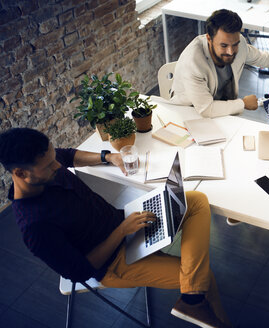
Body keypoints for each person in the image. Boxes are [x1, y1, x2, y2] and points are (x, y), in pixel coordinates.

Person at [0, 128, 230, 328]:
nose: (57, 165)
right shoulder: (34, 226)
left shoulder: (46, 166)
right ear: (20, 174)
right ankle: (197, 304)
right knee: (203, 278)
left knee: (196, 200)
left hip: (124, 221)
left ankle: (191, 297)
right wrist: (121, 231)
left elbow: (68, 155)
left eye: (53, 157)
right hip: (113, 263)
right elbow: (81, 272)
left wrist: (109, 156)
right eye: (50, 164)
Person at [170, 9, 269, 118]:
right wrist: (243, 103)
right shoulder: (193, 62)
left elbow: (263, 58)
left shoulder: (239, 43)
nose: (230, 52)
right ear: (209, 39)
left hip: (220, 111)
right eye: (224, 46)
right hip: (189, 112)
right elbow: (206, 109)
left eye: (235, 44)